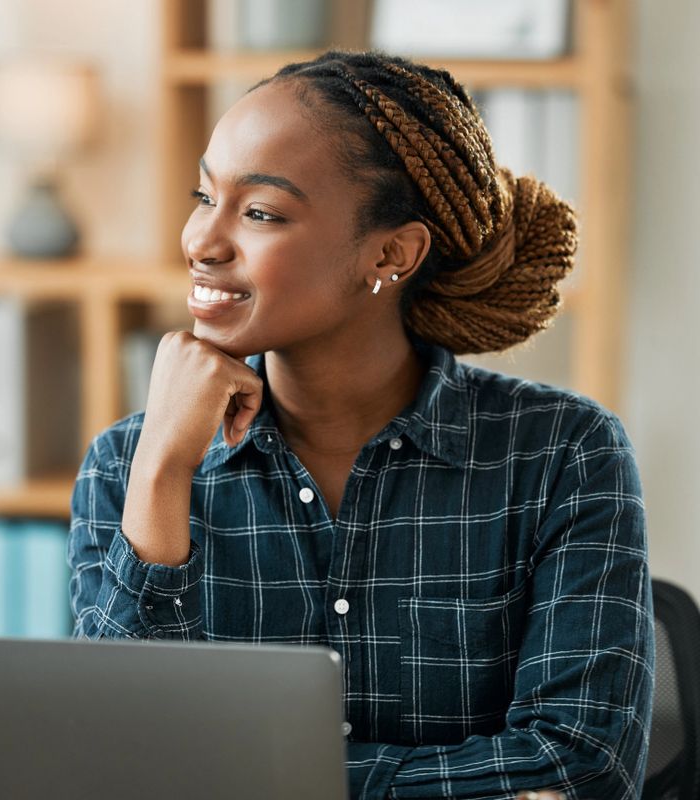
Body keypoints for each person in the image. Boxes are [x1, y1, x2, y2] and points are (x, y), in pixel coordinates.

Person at [69, 51, 653, 799]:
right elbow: (116, 761)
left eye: (260, 213)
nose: (202, 242)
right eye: (203, 195)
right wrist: (161, 473)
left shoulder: (563, 454)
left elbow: (582, 765)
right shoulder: (129, 464)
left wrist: (252, 779)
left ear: (391, 253)